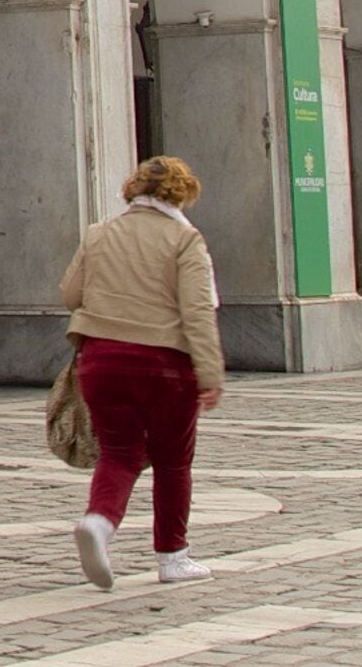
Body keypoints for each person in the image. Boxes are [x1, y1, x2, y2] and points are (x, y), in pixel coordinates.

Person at [58, 154, 226, 590]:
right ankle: (173, 557)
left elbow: (71, 294)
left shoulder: (99, 233)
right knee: (173, 461)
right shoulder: (185, 240)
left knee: (119, 452)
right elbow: (197, 311)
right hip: (165, 364)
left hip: (102, 360)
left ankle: (99, 522)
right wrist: (210, 373)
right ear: (183, 194)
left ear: (133, 188)